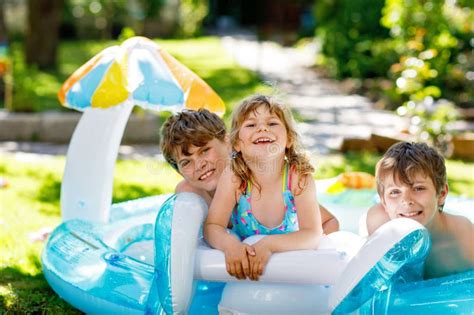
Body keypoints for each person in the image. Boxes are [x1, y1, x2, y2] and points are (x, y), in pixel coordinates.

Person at [203, 95, 324, 281]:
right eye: (251, 125)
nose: (262, 128)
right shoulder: (235, 177)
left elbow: (313, 234)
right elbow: (212, 226)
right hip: (248, 273)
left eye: (272, 123)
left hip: (289, 265)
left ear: (289, 139)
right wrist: (230, 245)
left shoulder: (298, 176)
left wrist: (269, 245)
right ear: (237, 143)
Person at [160, 108, 339, 231]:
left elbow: (330, 222)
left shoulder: (260, 181)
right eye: (186, 162)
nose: (199, 165)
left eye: (205, 150)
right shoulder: (190, 195)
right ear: (179, 171)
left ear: (229, 141)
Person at [366, 141, 473, 279]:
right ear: (384, 202)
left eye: (418, 188)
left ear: (441, 194)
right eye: (395, 192)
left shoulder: (464, 239)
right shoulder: (379, 223)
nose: (406, 200)